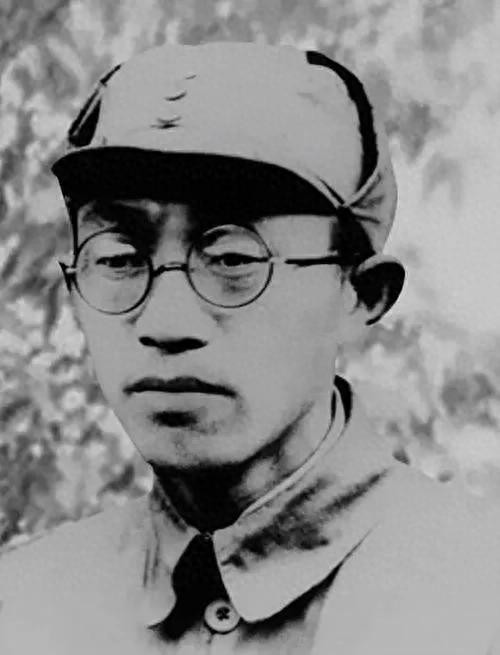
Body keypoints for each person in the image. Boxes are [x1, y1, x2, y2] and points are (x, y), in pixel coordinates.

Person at [1, 41, 500, 655]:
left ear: (360, 294)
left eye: (233, 259)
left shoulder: (481, 602)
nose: (166, 322)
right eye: (119, 258)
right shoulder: (23, 610)